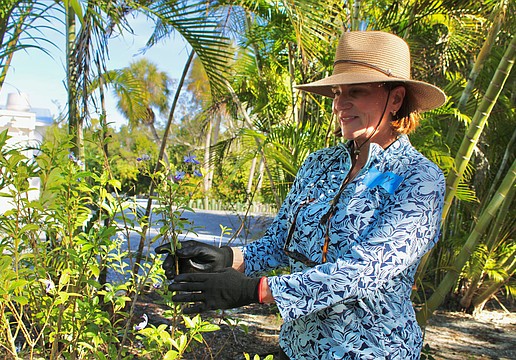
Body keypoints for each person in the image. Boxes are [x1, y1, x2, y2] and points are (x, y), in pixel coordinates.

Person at [156, 30, 446, 359]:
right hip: (299, 346)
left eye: (357, 92)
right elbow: (281, 240)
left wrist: (258, 290)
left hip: (372, 350)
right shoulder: (319, 164)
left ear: (395, 99)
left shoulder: (420, 178)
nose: (340, 104)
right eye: (337, 93)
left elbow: (365, 271)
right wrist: (228, 258)